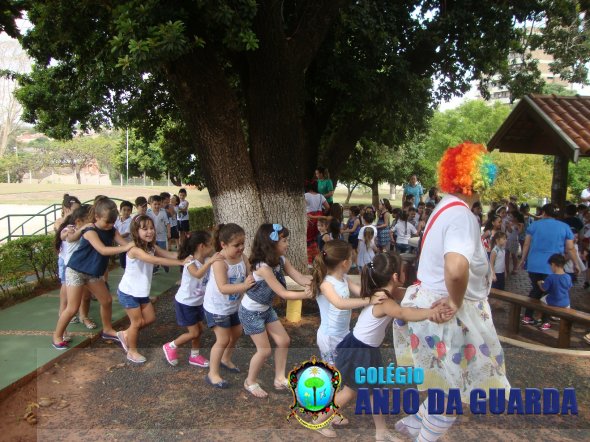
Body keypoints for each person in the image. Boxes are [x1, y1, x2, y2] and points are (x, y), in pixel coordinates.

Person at [393, 142, 510, 442]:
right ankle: (421, 433)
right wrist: (456, 302)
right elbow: (456, 268)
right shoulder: (462, 216)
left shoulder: (443, 208)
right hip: (446, 314)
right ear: (481, 177)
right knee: (452, 394)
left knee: (444, 384)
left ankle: (414, 423)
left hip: (428, 306)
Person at [317, 252, 451, 440]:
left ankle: (381, 432)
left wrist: (428, 293)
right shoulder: (385, 300)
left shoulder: (385, 291)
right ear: (395, 277)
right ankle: (319, 420)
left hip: (366, 349)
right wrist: (431, 312)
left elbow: (406, 294)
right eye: (404, 271)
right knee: (351, 391)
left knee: (375, 391)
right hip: (359, 351)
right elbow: (403, 312)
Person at [240, 224, 313, 398]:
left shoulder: (281, 260)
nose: (287, 243)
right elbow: (283, 293)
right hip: (251, 312)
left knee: (284, 341)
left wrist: (319, 280)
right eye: (284, 240)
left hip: (265, 309)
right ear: (271, 243)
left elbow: (301, 277)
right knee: (264, 350)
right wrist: (307, 294)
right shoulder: (262, 268)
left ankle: (279, 378)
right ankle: (250, 381)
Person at [52, 198, 134, 350]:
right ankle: (57, 336)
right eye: (107, 222)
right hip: (76, 271)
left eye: (113, 222)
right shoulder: (90, 231)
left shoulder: (112, 230)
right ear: (96, 217)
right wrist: (126, 247)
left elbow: (124, 243)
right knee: (72, 307)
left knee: (107, 300)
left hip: (92, 273)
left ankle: (108, 330)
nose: (110, 225)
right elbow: (103, 250)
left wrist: (134, 246)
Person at [116, 215, 187, 363]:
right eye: (144, 229)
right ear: (136, 231)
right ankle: (132, 351)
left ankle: (125, 334)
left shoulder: (151, 247)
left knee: (149, 319)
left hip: (141, 292)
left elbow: (168, 254)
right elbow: (154, 260)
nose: (149, 232)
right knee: (136, 322)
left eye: (151, 228)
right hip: (128, 292)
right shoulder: (134, 249)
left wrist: (186, 256)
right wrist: (180, 262)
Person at [311, 240, 386, 366]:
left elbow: (360, 291)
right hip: (329, 336)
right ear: (345, 263)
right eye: (351, 257)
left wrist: (376, 293)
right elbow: (339, 303)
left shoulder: (344, 278)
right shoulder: (326, 284)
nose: (353, 260)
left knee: (343, 367)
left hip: (343, 333)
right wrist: (369, 300)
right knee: (333, 370)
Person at [203, 223, 255, 388]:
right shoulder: (220, 261)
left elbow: (249, 272)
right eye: (236, 245)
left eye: (242, 244)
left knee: (237, 333)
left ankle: (225, 358)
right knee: (223, 338)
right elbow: (223, 288)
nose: (241, 248)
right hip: (217, 308)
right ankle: (213, 373)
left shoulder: (242, 257)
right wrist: (245, 286)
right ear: (223, 244)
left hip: (233, 306)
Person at [163, 231, 222, 367]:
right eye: (211, 245)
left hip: (197, 302)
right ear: (202, 246)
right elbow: (197, 274)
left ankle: (194, 356)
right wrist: (211, 261)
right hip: (185, 303)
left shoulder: (207, 260)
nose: (213, 248)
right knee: (194, 332)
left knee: (199, 331)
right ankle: (171, 346)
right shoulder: (190, 261)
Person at [519, 203, 578, 325]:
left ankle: (528, 316)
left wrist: (523, 259)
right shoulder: (565, 227)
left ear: (544, 213)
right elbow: (571, 248)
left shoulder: (534, 225)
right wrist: (575, 263)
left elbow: (526, 244)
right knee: (550, 292)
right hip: (554, 266)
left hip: (534, 264)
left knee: (536, 289)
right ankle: (544, 320)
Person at [54, 205, 95, 336]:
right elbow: (65, 236)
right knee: (66, 302)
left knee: (86, 296)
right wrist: (82, 228)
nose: (93, 220)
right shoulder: (69, 228)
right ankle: (62, 332)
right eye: (90, 217)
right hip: (70, 268)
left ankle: (84, 317)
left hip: (83, 267)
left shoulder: (89, 229)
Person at [535, 254, 573, 331]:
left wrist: (539, 283)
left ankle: (544, 321)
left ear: (553, 265)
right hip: (565, 303)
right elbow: (569, 288)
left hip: (553, 301)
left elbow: (544, 289)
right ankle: (557, 319)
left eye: (550, 266)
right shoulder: (568, 277)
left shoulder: (551, 277)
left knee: (542, 300)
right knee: (566, 301)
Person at [305, 180, 330, 264]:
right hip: (320, 217)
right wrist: (322, 214)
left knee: (309, 238)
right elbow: (327, 207)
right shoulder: (320, 196)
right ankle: (318, 255)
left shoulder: (306, 195)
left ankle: (309, 257)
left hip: (310, 218)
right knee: (318, 237)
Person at [148, 195, 171, 273]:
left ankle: (165, 264)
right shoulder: (148, 213)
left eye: (158, 204)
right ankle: (155, 266)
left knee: (162, 251)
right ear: (150, 204)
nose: (157, 206)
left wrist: (169, 232)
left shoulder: (163, 212)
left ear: (161, 204)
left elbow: (167, 223)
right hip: (152, 236)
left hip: (162, 236)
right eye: (155, 204)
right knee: (152, 251)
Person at [114, 200, 133, 269]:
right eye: (124, 210)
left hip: (129, 245)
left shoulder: (131, 221)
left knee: (128, 264)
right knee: (123, 264)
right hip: (120, 246)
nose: (126, 212)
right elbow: (113, 229)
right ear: (120, 210)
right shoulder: (117, 220)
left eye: (128, 210)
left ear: (131, 211)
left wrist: (115, 238)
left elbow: (126, 234)